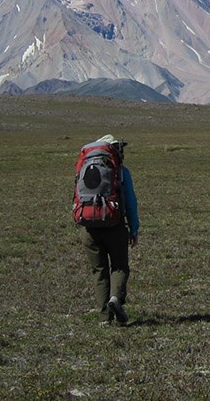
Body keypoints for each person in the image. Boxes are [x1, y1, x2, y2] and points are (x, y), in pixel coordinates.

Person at [78, 134, 139, 326]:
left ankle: (104, 318)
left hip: (88, 227)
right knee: (119, 266)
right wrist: (134, 229)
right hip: (114, 224)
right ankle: (115, 299)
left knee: (99, 271)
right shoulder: (121, 171)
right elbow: (131, 203)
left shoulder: (83, 168)